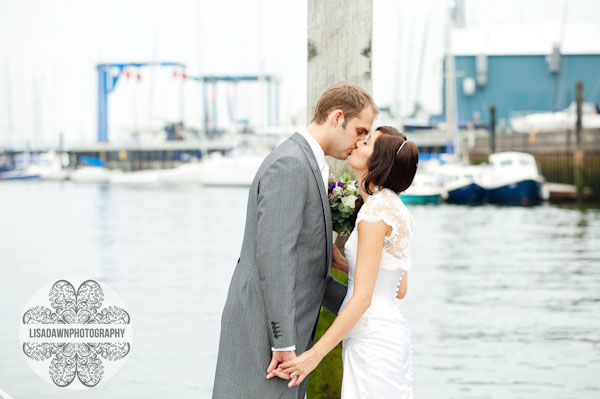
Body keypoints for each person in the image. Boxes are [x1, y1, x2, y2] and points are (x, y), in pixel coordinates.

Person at [212, 82, 378, 399]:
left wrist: (370, 306)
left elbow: (309, 267)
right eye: (359, 131)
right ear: (337, 117)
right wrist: (283, 341)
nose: (359, 142)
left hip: (287, 328)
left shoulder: (309, 163)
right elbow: (275, 258)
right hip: (265, 333)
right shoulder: (290, 163)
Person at [273, 126, 419, 398]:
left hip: (370, 339)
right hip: (390, 332)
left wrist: (313, 356)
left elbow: (362, 298)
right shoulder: (396, 209)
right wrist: (342, 264)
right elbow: (397, 287)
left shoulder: (374, 214)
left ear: (379, 162)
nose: (358, 143)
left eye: (368, 142)